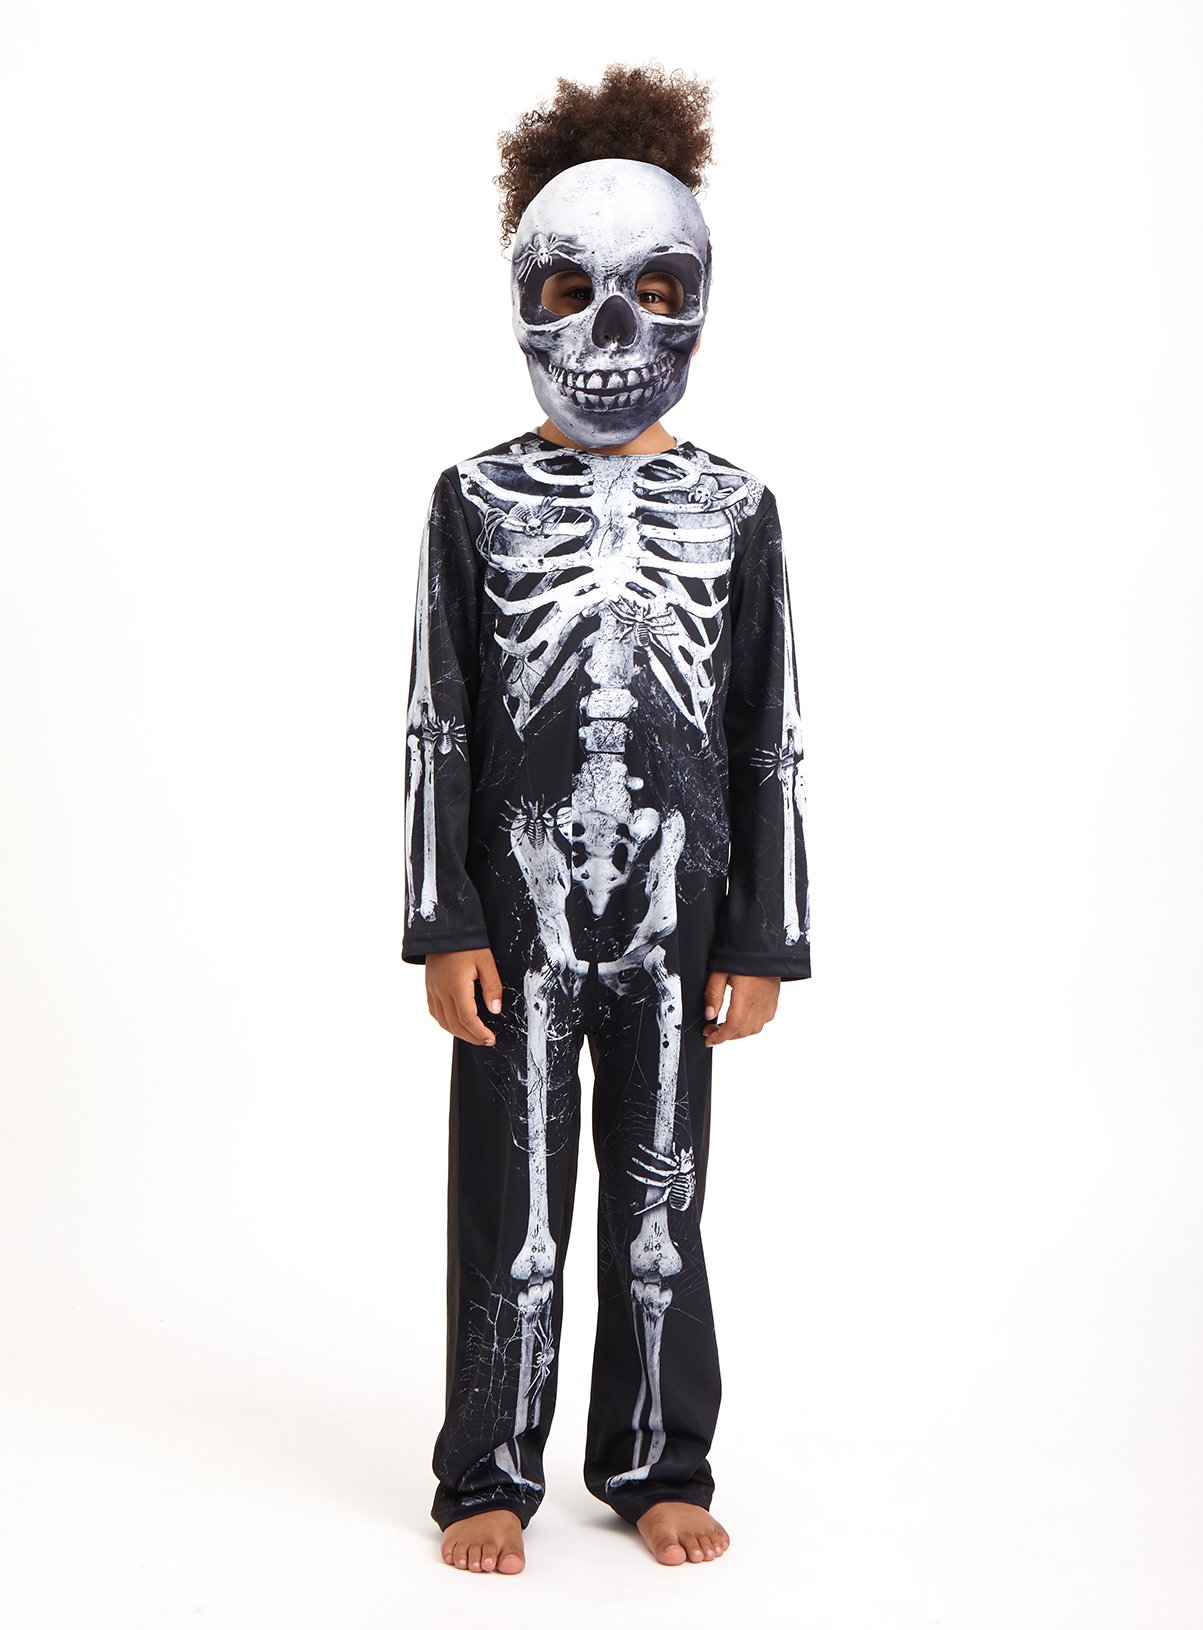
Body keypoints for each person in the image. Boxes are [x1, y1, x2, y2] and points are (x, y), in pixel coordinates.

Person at [402, 64, 811, 1575]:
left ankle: (653, 1455)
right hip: (516, 899)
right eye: (572, 291)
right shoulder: (473, 499)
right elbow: (439, 719)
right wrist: (442, 920)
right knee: (507, 1200)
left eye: (654, 293)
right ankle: (485, 1467)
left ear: (699, 302)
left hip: (676, 903)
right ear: (525, 297)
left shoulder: (738, 508)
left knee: (662, 1196)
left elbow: (769, 729)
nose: (612, 332)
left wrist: (763, 935)